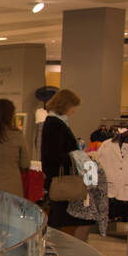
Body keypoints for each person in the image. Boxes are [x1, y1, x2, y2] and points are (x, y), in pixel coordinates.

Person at [42, 88, 89, 241]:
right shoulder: (55, 124)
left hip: (58, 179)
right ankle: (59, 249)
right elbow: (54, 154)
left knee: (62, 218)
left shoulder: (55, 122)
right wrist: (75, 155)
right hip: (61, 180)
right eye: (73, 106)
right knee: (65, 218)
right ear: (66, 105)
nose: (74, 110)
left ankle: (58, 249)